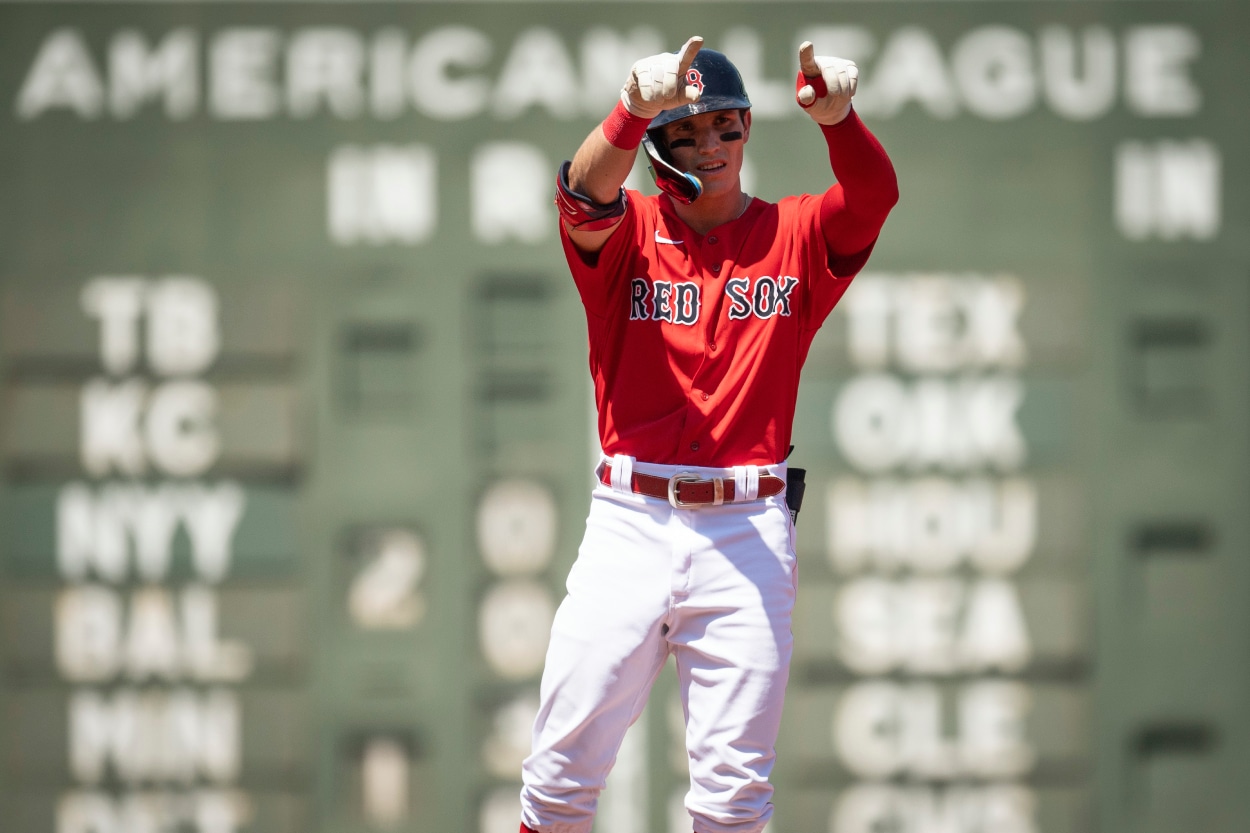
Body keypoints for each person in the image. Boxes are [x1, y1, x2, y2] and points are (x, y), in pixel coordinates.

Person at [520, 35, 898, 833]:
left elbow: (871, 199)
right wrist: (629, 113)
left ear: (748, 127)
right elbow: (584, 196)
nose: (711, 145)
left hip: (747, 529)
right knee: (557, 781)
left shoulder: (792, 233)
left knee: (733, 804)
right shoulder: (630, 233)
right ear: (660, 147)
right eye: (688, 131)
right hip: (632, 520)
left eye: (725, 125)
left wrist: (840, 120)